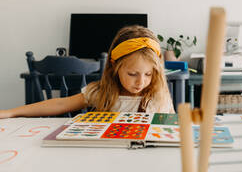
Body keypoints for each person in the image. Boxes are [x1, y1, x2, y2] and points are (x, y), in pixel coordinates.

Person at [0, 25, 175, 119]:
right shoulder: (101, 92)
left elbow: (174, 128)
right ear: (114, 66)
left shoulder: (159, 95)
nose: (140, 82)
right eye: (132, 74)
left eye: (148, 74)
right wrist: (11, 112)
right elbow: (60, 104)